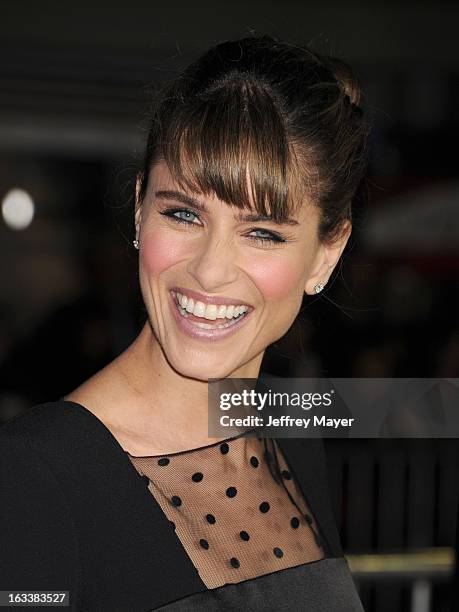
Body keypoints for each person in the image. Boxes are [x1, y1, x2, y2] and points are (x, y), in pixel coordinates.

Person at [0, 34, 370, 611]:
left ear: (327, 253)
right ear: (141, 207)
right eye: (183, 213)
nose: (210, 270)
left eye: (262, 232)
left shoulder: (293, 434)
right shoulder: (35, 473)